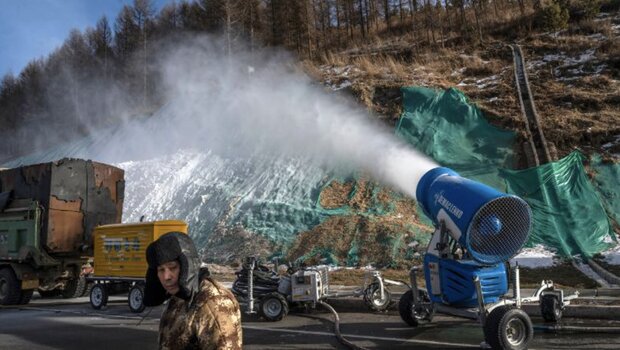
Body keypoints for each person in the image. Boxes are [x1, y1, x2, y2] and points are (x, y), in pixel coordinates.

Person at [144, 231, 243, 350]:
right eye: (161, 270)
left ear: (188, 265)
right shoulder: (179, 296)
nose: (166, 277)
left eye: (173, 268)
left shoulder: (212, 302)